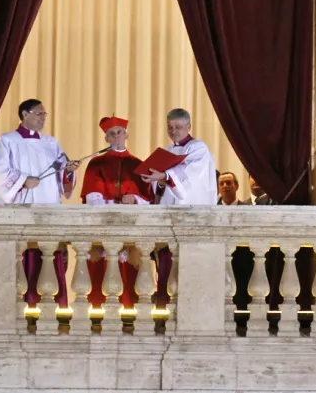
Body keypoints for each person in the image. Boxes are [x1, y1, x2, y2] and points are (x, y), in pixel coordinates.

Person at [0, 99, 80, 309]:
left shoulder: (50, 142)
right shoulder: (8, 141)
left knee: (47, 254)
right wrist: (23, 181)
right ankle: (20, 304)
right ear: (24, 114)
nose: (43, 118)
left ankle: (51, 305)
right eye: (39, 114)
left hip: (47, 207)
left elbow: (61, 171)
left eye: (44, 114)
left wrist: (68, 170)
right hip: (23, 205)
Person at [140, 108, 218, 309]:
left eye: (178, 127)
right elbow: (164, 186)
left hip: (192, 218)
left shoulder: (198, 148)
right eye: (170, 127)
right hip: (169, 219)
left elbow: (190, 174)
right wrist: (155, 179)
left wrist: (165, 176)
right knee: (165, 268)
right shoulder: (166, 152)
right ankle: (163, 310)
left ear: (189, 127)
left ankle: (191, 310)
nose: (173, 131)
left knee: (190, 270)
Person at [80, 115, 153, 311]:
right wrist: (110, 208)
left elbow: (149, 199)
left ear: (126, 134)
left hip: (131, 227)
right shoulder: (95, 164)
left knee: (129, 273)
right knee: (101, 271)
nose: (116, 136)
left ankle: (131, 310)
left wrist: (135, 199)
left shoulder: (139, 164)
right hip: (103, 225)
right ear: (106, 138)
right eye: (111, 134)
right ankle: (98, 311)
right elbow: (92, 196)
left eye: (119, 132)